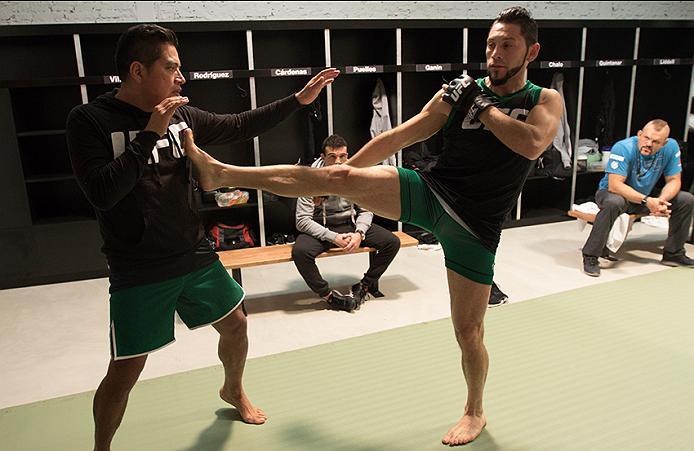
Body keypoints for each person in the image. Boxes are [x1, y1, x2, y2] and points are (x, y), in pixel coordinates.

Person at [183, 6, 561, 446]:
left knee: (468, 332)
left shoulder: (542, 100)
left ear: (530, 50)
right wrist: (342, 178)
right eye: (491, 43)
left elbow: (532, 144)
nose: (495, 53)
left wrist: (481, 104)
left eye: (507, 44)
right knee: (333, 172)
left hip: (475, 225)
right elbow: (402, 135)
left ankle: (474, 411)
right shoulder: (460, 92)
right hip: (431, 190)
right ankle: (223, 173)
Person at [65, 24, 338, 451]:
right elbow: (102, 193)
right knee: (125, 369)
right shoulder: (90, 120)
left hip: (194, 252)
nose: (182, 77)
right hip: (138, 266)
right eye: (171, 67)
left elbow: (238, 124)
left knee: (236, 326)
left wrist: (297, 100)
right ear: (138, 70)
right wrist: (151, 132)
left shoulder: (181, 114)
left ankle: (233, 390)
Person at [293, 134, 401, 312]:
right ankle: (329, 296)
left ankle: (364, 286)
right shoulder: (310, 179)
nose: (338, 162)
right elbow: (302, 220)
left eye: (343, 156)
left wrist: (360, 233)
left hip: (351, 224)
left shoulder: (355, 174)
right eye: (332, 157)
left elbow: (366, 209)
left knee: (392, 242)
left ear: (348, 156)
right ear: (323, 157)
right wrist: (333, 237)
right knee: (300, 252)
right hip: (322, 229)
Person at [581, 119, 694, 276]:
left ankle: (674, 254)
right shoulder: (623, 147)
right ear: (639, 134)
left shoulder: (671, 147)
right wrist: (648, 201)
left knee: (686, 199)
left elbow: (674, 180)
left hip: (646, 194)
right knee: (614, 202)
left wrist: (661, 200)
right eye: (646, 138)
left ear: (664, 143)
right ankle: (591, 255)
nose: (649, 144)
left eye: (655, 142)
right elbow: (615, 185)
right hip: (614, 193)